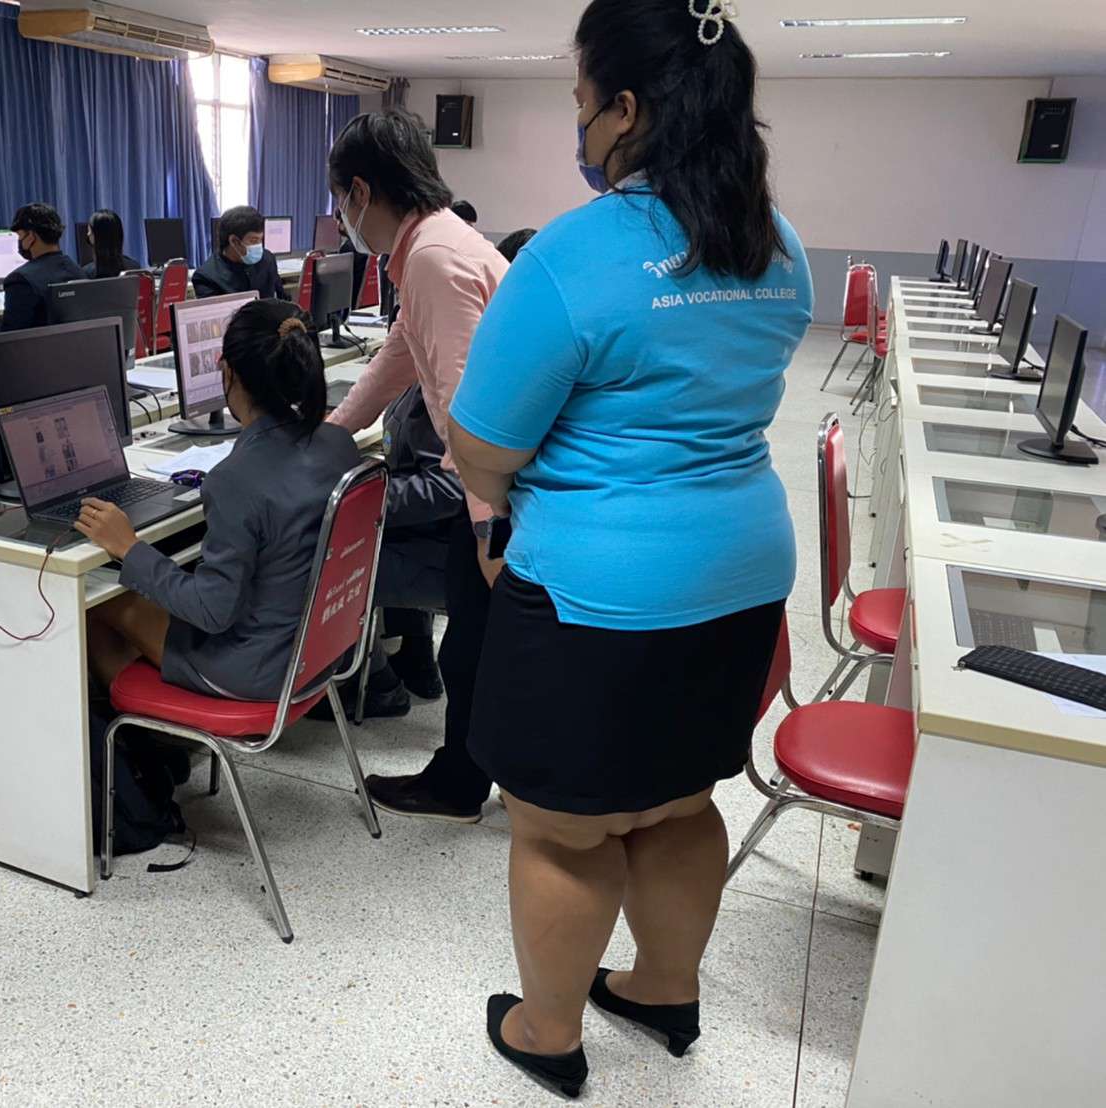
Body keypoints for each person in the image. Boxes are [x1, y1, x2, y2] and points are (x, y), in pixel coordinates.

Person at [446, 0, 813, 1094]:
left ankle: (547, 1032)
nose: (578, 125)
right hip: (741, 568)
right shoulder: (774, 243)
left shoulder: (575, 253)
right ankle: (661, 987)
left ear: (624, 109)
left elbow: (481, 443)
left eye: (579, 102)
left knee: (563, 831)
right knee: (680, 801)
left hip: (595, 590)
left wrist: (491, 507)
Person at [325, 109, 509, 821]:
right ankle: (469, 776)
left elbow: (470, 410)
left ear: (361, 191)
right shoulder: (437, 243)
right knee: (472, 645)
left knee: (476, 647)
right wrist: (334, 432)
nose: (343, 217)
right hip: (494, 484)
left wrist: (489, 529)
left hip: (495, 492)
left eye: (341, 199)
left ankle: (463, 783)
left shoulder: (432, 257)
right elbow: (399, 354)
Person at [75, 298, 359, 700]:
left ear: (227, 371)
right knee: (150, 592)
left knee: (97, 605)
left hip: (257, 668)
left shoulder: (235, 479)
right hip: (322, 649)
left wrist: (128, 548)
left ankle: (141, 735)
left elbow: (212, 611)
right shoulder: (338, 442)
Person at [308, 380, 459, 721]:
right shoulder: (427, 376)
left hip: (441, 555)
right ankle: (417, 659)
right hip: (430, 537)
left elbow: (448, 488)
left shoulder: (446, 386)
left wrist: (363, 498)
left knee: (326, 558)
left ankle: (378, 685)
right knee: (372, 526)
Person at [1, 202, 84, 331]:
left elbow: (9, 337)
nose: (19, 241)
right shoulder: (78, 271)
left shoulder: (20, 280)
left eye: (20, 236)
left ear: (31, 236)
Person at [193, 206, 286, 301]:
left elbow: (282, 297)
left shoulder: (267, 259)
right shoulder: (206, 277)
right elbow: (215, 310)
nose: (259, 246)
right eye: (254, 241)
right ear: (234, 241)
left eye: (260, 240)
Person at [84, 209, 141, 279]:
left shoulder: (87, 274)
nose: (88, 234)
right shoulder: (134, 268)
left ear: (98, 237)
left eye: (89, 231)